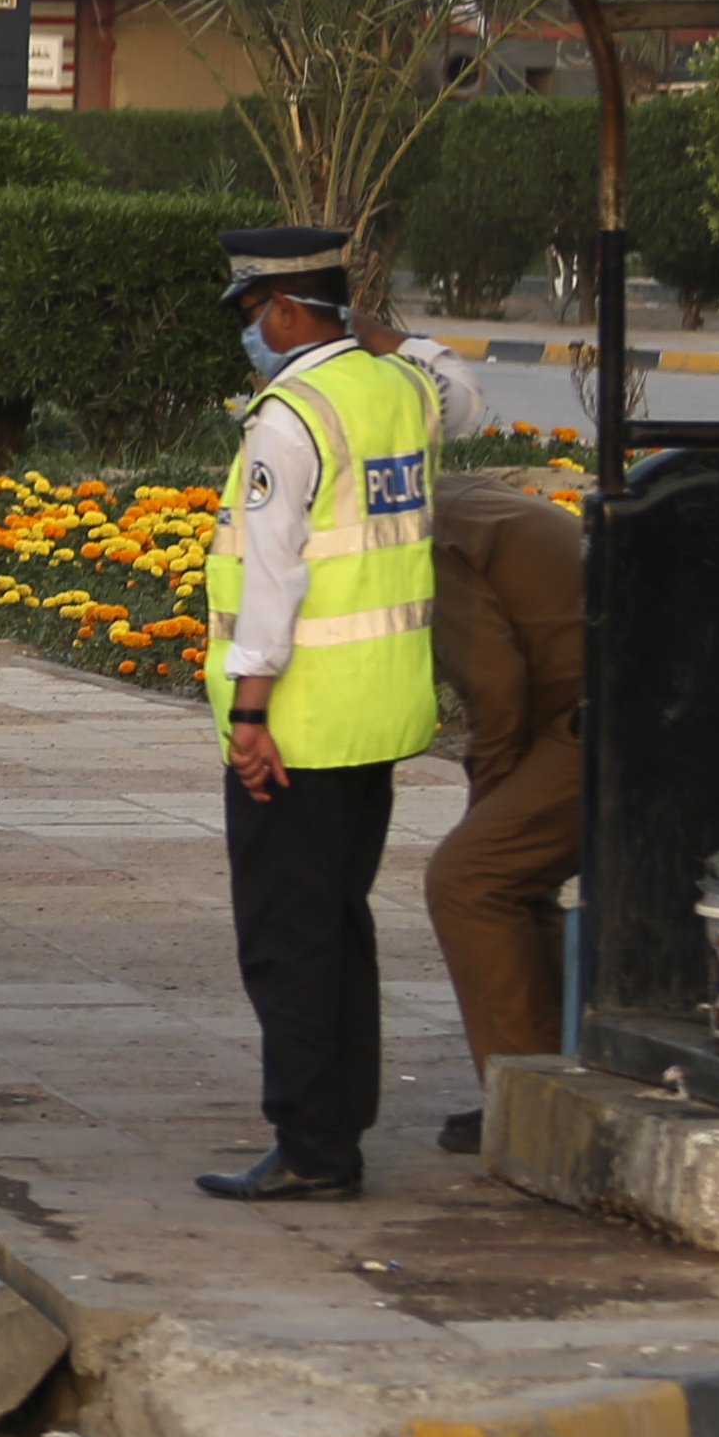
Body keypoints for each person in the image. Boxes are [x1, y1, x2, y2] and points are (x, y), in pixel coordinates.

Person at [197, 226, 486, 1201]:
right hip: (379, 711)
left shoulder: (289, 414)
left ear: (285, 311)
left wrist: (248, 712)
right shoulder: (395, 388)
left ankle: (313, 1147)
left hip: (300, 722)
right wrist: (383, 333)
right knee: (336, 925)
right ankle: (332, 1135)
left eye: (251, 315)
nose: (248, 335)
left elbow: (272, 575)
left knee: (287, 938)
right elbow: (464, 389)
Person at [423, 475, 584, 1153]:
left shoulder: (421, 532)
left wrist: (487, 800)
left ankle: (530, 1112)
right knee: (513, 880)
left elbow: (493, 686)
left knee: (469, 879)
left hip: (611, 711)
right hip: (635, 694)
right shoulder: (463, 498)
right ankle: (546, 1078)